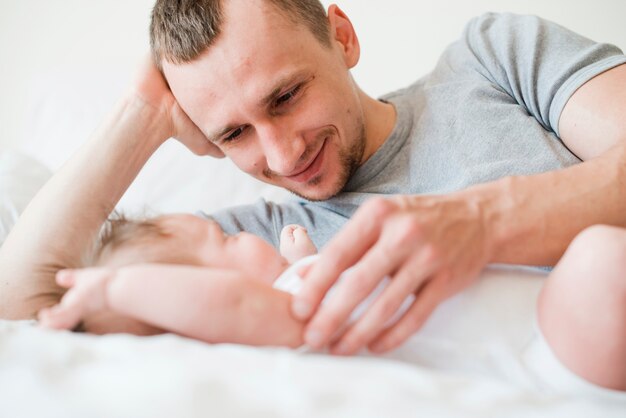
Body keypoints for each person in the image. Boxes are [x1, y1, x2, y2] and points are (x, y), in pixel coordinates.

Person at [1, 0, 625, 377]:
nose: (282, 154)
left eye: (286, 96)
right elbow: (22, 307)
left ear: (343, 37)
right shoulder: (260, 253)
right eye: (234, 133)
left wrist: (482, 222)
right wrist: (142, 113)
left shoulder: (493, 58)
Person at [38, 213, 626, 393]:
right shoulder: (284, 316)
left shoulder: (299, 288)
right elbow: (244, 309)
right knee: (602, 258)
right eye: (221, 242)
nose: (241, 234)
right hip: (546, 348)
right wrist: (116, 289)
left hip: (541, 321)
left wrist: (306, 256)